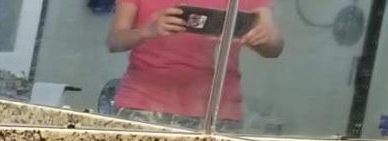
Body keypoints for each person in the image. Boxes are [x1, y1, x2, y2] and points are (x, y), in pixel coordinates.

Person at [108, 0, 282, 129]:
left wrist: (261, 39)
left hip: (218, 111)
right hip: (143, 105)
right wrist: (147, 31)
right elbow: (115, 41)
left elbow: (275, 47)